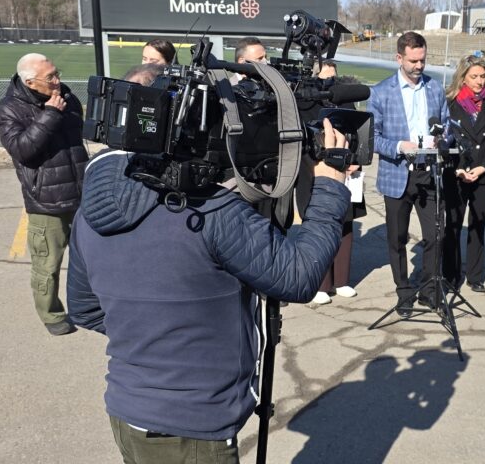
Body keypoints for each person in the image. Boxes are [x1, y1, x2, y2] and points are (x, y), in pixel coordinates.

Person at [67, 119, 351, 462]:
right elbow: (298, 276)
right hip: (193, 430)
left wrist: (148, 331)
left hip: (127, 413)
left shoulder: (91, 211)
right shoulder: (210, 211)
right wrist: (329, 186)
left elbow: (84, 309)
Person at [0, 53, 88, 335]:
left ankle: (93, 306)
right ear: (30, 82)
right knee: (47, 265)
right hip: (47, 201)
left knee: (92, 258)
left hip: (82, 193)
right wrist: (50, 114)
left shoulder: (67, 97)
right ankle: (52, 315)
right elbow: (23, 150)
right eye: (50, 78)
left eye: (57, 73)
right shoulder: (9, 109)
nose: (57, 80)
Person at [369, 32, 449, 315]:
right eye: (413, 61)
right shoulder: (380, 92)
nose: (419, 66)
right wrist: (399, 146)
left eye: (422, 60)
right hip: (397, 174)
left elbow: (447, 126)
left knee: (436, 235)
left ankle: (429, 291)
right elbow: (372, 138)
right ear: (399, 58)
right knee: (397, 239)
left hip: (429, 174)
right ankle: (404, 292)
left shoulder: (435, 88)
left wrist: (441, 140)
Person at [442, 54, 485, 293]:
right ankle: (451, 275)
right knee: (453, 226)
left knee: (478, 226)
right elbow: (445, 138)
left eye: (483, 76)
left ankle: (475, 276)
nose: (479, 81)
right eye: (474, 76)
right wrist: (457, 168)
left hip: (483, 174)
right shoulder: (450, 102)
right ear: (463, 77)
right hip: (456, 172)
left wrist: (483, 167)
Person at [309, 61, 366, 305]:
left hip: (347, 173)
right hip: (320, 173)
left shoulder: (346, 103)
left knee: (345, 227)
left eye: (334, 78)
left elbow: (359, 135)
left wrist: (356, 161)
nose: (330, 83)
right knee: (321, 228)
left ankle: (341, 281)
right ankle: (321, 284)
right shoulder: (309, 104)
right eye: (325, 78)